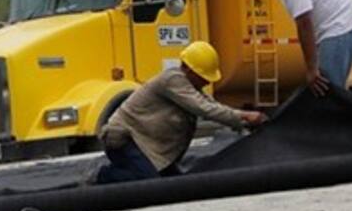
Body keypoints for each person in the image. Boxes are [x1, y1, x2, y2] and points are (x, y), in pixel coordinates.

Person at [96, 41, 267, 184]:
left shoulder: (191, 86)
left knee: (176, 186)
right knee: (149, 184)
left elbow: (212, 105)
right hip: (124, 141)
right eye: (203, 76)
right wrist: (244, 116)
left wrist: (242, 121)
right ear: (189, 70)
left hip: (149, 150)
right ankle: (105, 177)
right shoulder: (173, 80)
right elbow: (203, 108)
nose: (206, 81)